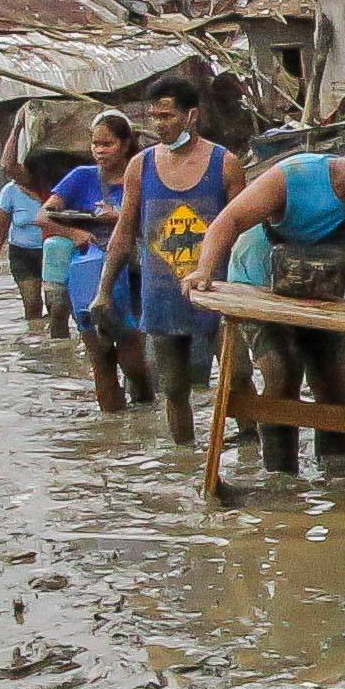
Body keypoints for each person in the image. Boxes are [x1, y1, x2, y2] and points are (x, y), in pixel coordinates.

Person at [191, 123, 345, 475]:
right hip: (262, 285)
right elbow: (229, 221)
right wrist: (204, 270)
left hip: (321, 294)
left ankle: (338, 475)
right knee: (282, 370)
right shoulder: (295, 175)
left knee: (333, 385)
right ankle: (281, 475)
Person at [100, 92, 239, 445]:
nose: (159, 124)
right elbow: (125, 230)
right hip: (162, 292)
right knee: (174, 388)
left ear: (191, 116)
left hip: (219, 291)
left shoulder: (225, 163)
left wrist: (251, 287)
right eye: (154, 117)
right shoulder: (141, 166)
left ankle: (250, 446)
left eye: (167, 116)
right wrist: (103, 291)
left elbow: (244, 229)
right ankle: (184, 458)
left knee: (237, 374)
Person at [54, 115, 142, 410]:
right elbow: (44, 215)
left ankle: (144, 421)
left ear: (125, 144)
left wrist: (118, 216)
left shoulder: (141, 173)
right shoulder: (81, 176)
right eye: (95, 143)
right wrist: (73, 231)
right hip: (89, 272)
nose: (100, 151)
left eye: (107, 144)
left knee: (134, 360)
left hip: (135, 273)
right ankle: (112, 431)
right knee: (100, 358)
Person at [0, 152, 62, 332]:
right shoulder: (10, 191)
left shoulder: (55, 190)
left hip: (52, 252)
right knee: (32, 302)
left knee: (55, 305)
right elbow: (1, 225)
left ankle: (53, 343)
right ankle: (34, 341)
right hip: (22, 254)